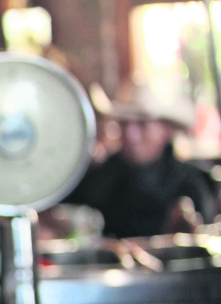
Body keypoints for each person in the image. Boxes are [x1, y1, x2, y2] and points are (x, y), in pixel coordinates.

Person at [66, 85, 215, 238]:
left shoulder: (190, 182)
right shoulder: (99, 177)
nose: (131, 135)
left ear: (166, 130)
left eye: (142, 124)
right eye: (124, 123)